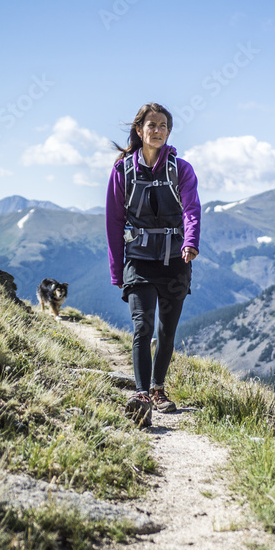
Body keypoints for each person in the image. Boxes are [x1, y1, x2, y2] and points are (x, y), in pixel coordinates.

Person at [106, 103, 201, 426]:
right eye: (152, 125)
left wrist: (191, 241)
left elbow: (191, 209)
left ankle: (159, 389)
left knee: (166, 330)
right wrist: (117, 270)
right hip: (139, 262)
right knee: (143, 326)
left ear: (168, 132)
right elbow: (114, 222)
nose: (157, 130)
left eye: (163, 126)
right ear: (139, 130)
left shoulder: (181, 169)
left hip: (176, 261)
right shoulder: (122, 171)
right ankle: (142, 393)